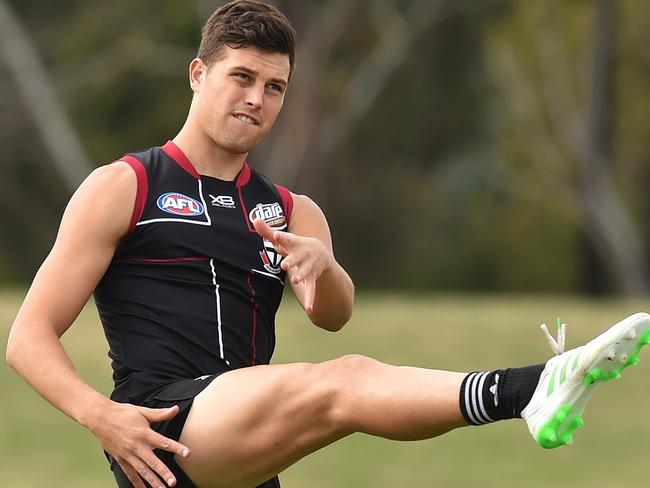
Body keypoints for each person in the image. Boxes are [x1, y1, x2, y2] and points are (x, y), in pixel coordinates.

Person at [6, 1, 650, 487]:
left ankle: (533, 392)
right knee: (344, 385)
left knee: (341, 387)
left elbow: (332, 315)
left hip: (247, 440)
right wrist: (100, 415)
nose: (257, 99)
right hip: (163, 425)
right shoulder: (125, 185)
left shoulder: (293, 209)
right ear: (198, 75)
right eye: (242, 77)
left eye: (275, 87)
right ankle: (529, 390)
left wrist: (326, 266)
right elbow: (28, 335)